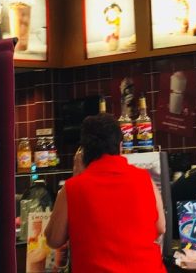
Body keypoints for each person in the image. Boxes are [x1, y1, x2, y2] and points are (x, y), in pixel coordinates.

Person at [45, 114, 166, 272]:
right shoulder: (145, 179)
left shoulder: (73, 187)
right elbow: (161, 228)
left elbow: (53, 239)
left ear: (83, 152)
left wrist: (76, 176)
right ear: (120, 146)